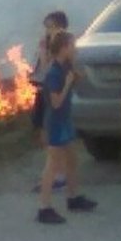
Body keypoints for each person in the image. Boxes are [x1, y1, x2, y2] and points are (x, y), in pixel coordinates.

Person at [36, 31, 97, 224]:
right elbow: (55, 102)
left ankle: (73, 197)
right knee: (52, 166)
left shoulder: (65, 67)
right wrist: (69, 82)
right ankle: (44, 208)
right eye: (72, 46)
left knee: (72, 159)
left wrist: (75, 78)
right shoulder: (54, 72)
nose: (75, 49)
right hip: (56, 122)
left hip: (65, 120)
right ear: (63, 48)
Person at [31, 11, 69, 192]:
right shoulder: (47, 43)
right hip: (40, 89)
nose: (47, 31)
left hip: (51, 91)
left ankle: (58, 175)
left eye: (50, 27)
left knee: (52, 133)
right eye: (46, 27)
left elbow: (48, 67)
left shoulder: (61, 46)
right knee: (42, 131)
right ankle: (54, 172)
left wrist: (44, 51)